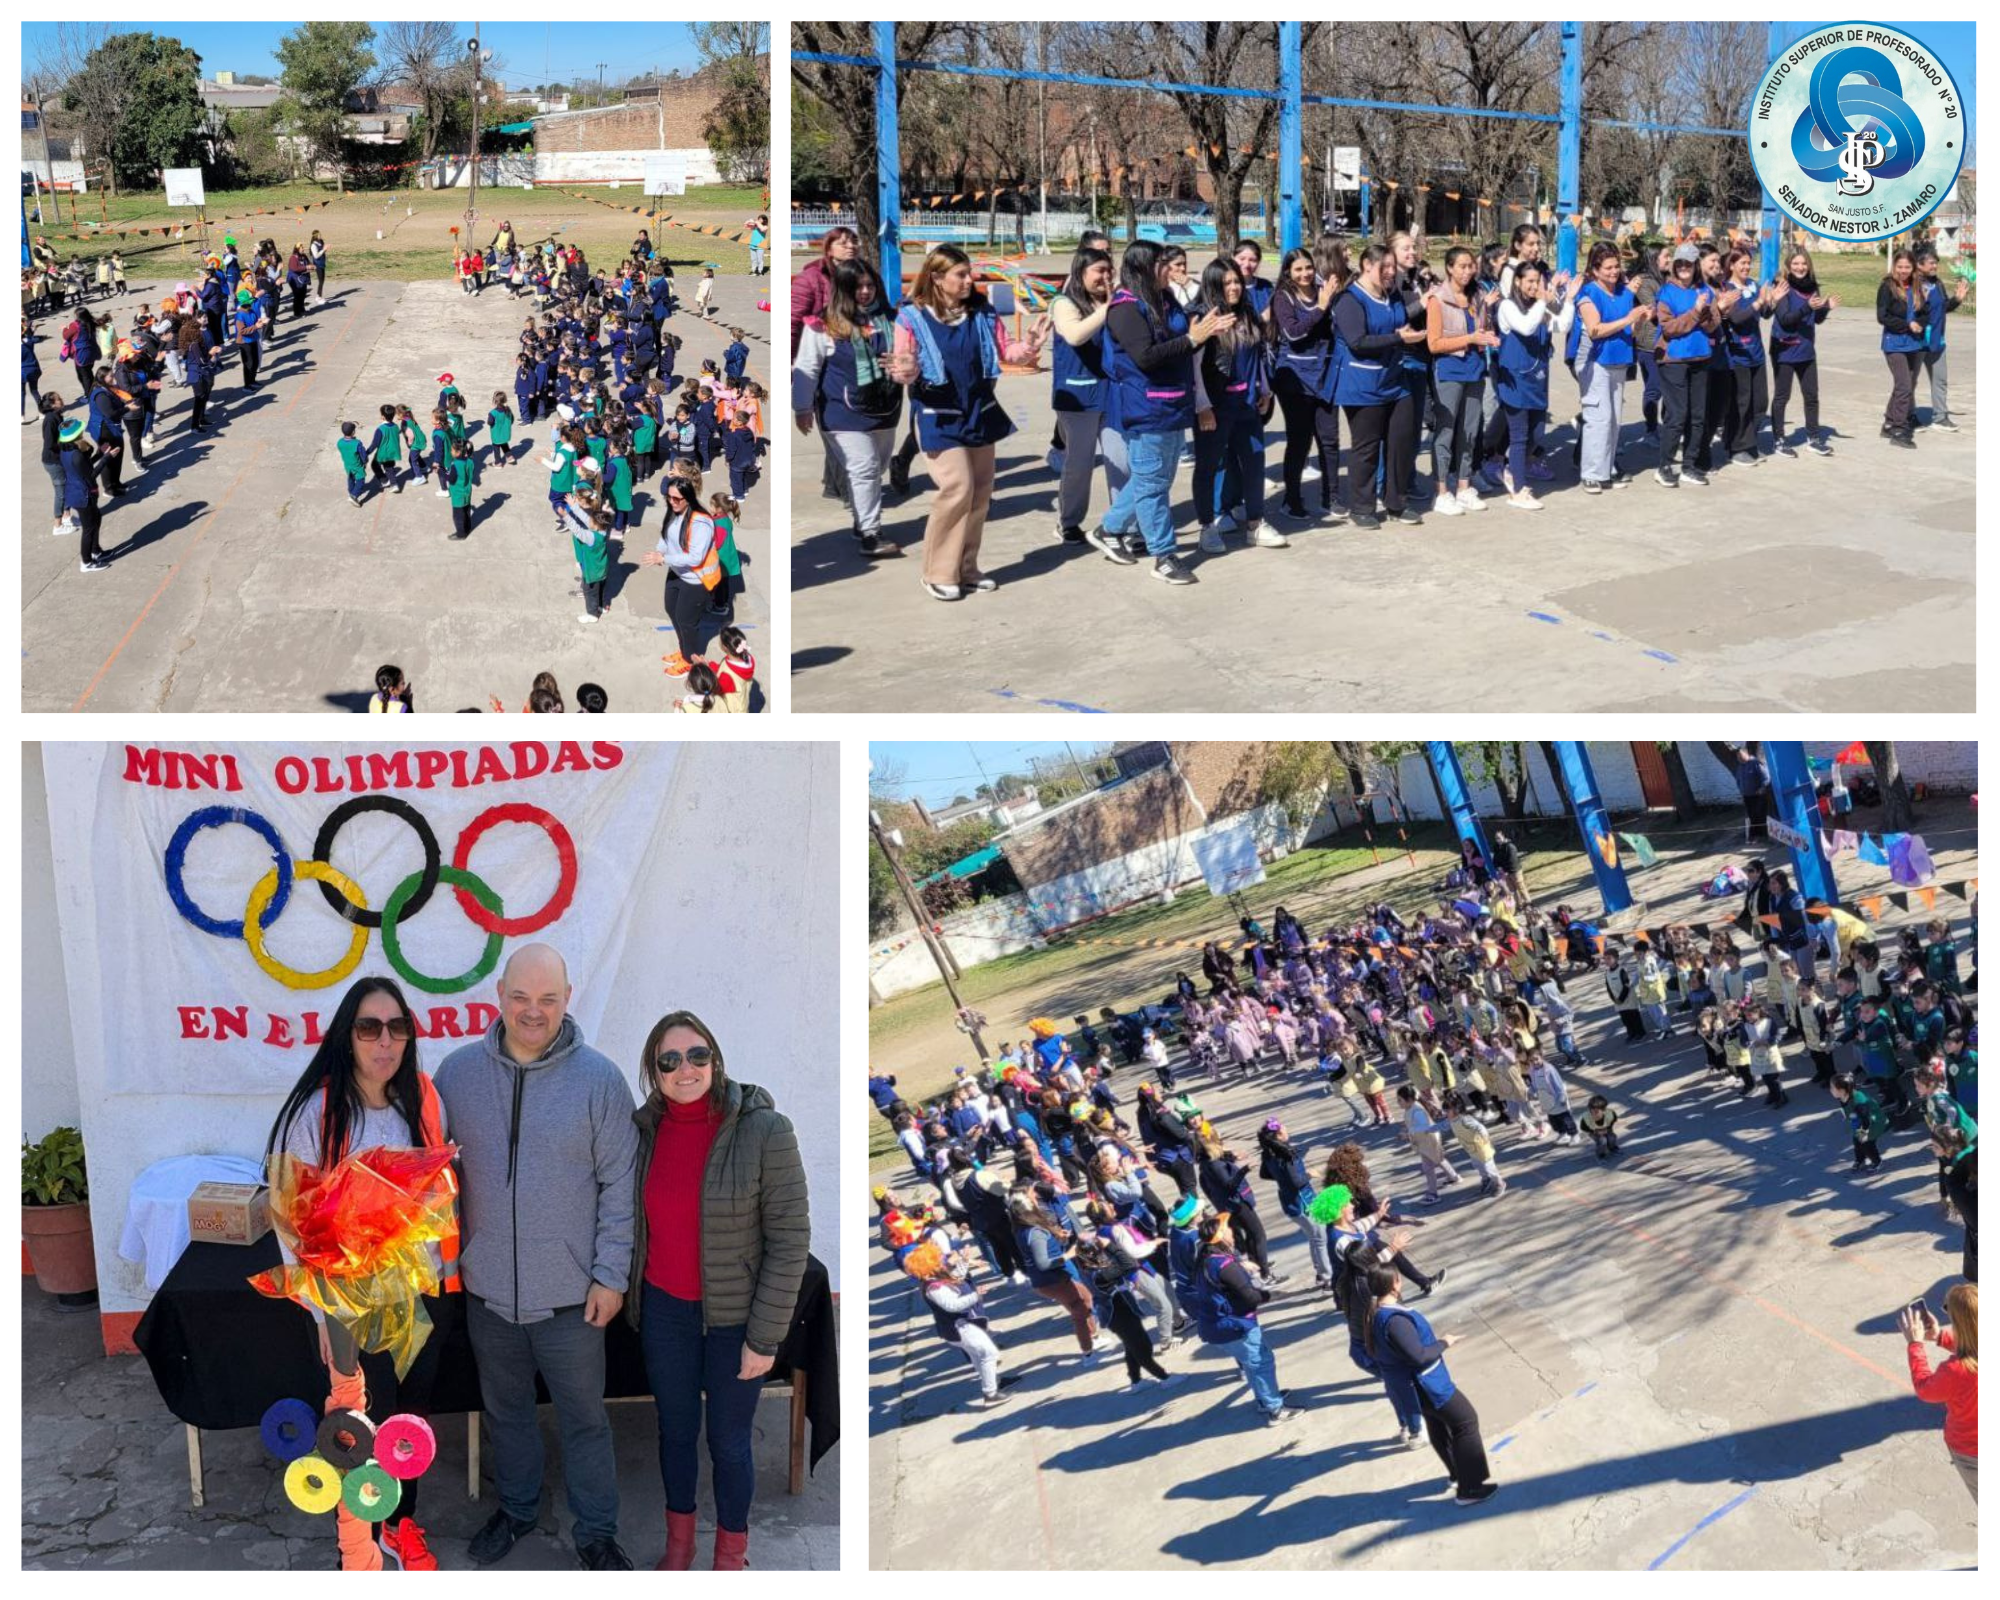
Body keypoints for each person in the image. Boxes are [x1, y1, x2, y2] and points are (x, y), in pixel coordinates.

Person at [434, 944, 639, 1571]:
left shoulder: (600, 1080)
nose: (533, 1011)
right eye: (521, 997)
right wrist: (447, 1262)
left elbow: (620, 1184)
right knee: (508, 1413)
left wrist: (609, 1274)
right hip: (488, 1291)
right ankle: (519, 1510)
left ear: (567, 999)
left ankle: (597, 1533)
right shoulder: (456, 1075)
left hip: (573, 1298)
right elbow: (434, 1178)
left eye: (548, 999)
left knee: (583, 1420)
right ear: (498, 995)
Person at [263, 976, 460, 1572]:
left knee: (409, 1423)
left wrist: (446, 1278)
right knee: (363, 1428)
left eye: (397, 1027)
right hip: (353, 1309)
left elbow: (440, 1194)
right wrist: (322, 1313)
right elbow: (288, 1218)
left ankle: (402, 1527)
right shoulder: (316, 1114)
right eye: (370, 1026)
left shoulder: (421, 1100)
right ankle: (360, 1545)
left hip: (423, 1296)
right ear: (348, 1036)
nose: (385, 1040)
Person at [625, 1009, 807, 1570]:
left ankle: (731, 1555)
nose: (686, 1068)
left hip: (735, 1320)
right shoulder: (643, 1131)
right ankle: (678, 1545)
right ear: (654, 1072)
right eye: (670, 1060)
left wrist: (765, 1337)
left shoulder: (764, 1130)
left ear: (716, 1058)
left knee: (729, 1443)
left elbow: (790, 1239)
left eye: (697, 1054)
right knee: (675, 1433)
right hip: (664, 1313)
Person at [1083, 239, 1225, 585]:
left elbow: (1183, 337)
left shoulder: (1164, 299)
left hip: (1174, 402)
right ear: (1145, 267)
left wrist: (1203, 332)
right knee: (1153, 484)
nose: (1173, 270)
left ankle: (1109, 529)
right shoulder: (1125, 308)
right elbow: (1145, 356)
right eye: (1164, 264)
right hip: (1146, 406)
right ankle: (1164, 554)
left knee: (1154, 479)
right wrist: (1192, 339)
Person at [1354, 1258, 1498, 1504]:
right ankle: (1470, 1488)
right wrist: (1445, 1342)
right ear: (1395, 1284)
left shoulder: (1375, 1313)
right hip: (1427, 1385)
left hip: (1412, 1388)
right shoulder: (1395, 1321)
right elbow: (1418, 1356)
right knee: (1466, 1422)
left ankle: (1457, 1474)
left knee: (1438, 1426)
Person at [1192, 256, 1285, 555]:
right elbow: (1192, 368)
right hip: (1215, 407)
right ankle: (1207, 527)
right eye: (1227, 282)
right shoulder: (1200, 316)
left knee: (1255, 462)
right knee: (1208, 466)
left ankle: (1255, 524)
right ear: (1213, 284)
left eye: (1236, 281)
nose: (1234, 287)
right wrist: (1202, 405)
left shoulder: (1246, 313)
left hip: (1247, 404)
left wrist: (1265, 390)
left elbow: (1258, 355)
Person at [1335, 242, 1427, 527]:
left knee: (1401, 441)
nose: (1390, 272)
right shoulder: (1350, 299)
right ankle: (1361, 507)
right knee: (1366, 448)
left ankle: (1396, 503)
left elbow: (1401, 322)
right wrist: (1400, 338)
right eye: (1383, 267)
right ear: (1366, 266)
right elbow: (1357, 341)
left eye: (1392, 267)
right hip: (1363, 384)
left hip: (1394, 381)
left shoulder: (1393, 295)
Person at [1046, 245, 1127, 547]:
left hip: (1111, 394)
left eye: (1109, 270)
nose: (1105, 277)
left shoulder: (1115, 303)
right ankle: (1069, 521)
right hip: (1077, 398)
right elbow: (1075, 335)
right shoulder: (1064, 303)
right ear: (1080, 273)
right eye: (1099, 271)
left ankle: (1120, 523)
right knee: (1079, 464)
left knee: (1120, 462)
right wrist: (1108, 308)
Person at [1189, 1210, 1301, 1426]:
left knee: (1251, 1363)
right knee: (1261, 1362)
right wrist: (1270, 1295)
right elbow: (1249, 1297)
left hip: (1216, 1326)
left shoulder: (1206, 1256)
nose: (1232, 1231)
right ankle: (1275, 1409)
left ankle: (1265, 1399)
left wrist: (1241, 1265)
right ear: (1221, 1237)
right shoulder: (1225, 1265)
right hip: (1234, 1326)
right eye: (1227, 1229)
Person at [1269, 243, 1345, 524]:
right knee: (1299, 441)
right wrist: (1321, 308)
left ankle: (1332, 496)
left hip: (1325, 375)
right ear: (1288, 272)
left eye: (1309, 268)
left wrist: (1330, 301)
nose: (1305, 274)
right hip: (1295, 379)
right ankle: (1292, 500)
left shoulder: (1325, 291)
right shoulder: (1283, 297)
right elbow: (1294, 333)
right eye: (1298, 269)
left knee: (1330, 439)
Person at [1492, 258, 1574, 511]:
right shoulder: (1508, 306)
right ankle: (1518, 490)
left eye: (1538, 281)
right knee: (1519, 435)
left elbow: (1562, 325)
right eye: (1529, 281)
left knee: (1536, 434)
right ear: (1517, 281)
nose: (1534, 286)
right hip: (1515, 379)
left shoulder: (1540, 307)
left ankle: (1511, 468)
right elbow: (1527, 327)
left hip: (1536, 380)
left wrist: (1568, 300)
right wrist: (1543, 300)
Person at [1424, 246, 1499, 515]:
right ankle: (1441, 490)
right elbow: (1434, 344)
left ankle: (1464, 486)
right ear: (1449, 268)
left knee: (1469, 430)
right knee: (1445, 431)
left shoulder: (1478, 295)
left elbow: (1481, 330)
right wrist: (1470, 339)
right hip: (1449, 370)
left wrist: (1488, 336)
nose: (1468, 271)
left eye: (1471, 266)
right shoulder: (1438, 299)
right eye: (1462, 266)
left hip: (1475, 369)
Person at [1570, 241, 1644, 494]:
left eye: (1617, 266)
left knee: (1614, 420)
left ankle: (1607, 468)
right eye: (1608, 267)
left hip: (1619, 360)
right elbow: (1595, 329)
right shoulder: (1588, 293)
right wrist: (1628, 318)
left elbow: (1629, 330)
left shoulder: (1624, 292)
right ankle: (1591, 473)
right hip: (1594, 361)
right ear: (1596, 269)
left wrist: (1639, 321)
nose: (1614, 271)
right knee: (1598, 417)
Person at [1901, 1285, 1976, 1500]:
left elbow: (1926, 1390)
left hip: (1971, 1451)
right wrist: (1940, 1337)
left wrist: (1915, 1345)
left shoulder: (1955, 1371)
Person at [1652, 243, 1717, 487]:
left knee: (1698, 416)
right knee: (1677, 415)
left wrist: (1711, 312)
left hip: (1700, 357)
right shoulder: (1666, 292)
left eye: (1688, 263)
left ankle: (1690, 465)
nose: (1683, 267)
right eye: (1679, 262)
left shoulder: (1705, 290)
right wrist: (1695, 312)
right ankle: (1664, 465)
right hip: (1673, 360)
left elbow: (1712, 325)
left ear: (1695, 266)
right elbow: (1669, 328)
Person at [640, 475, 719, 674]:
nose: (672, 502)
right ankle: (684, 648)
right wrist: (659, 551)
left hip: (696, 580)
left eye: (677, 499)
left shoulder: (701, 522)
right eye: (670, 497)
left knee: (686, 620)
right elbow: (667, 536)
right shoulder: (675, 512)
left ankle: (689, 659)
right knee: (671, 609)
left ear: (689, 498)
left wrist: (663, 559)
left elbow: (695, 558)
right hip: (677, 573)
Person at [1769, 247, 1836, 458]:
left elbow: (1815, 319)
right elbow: (1785, 319)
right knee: (1782, 396)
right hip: (1785, 349)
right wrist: (1807, 307)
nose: (1800, 267)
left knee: (1811, 395)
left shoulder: (1812, 287)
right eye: (1796, 263)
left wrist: (1825, 308)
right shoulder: (1782, 287)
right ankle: (1779, 439)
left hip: (1806, 350)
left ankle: (1813, 438)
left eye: (1804, 263)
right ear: (1789, 266)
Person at [1911, 242, 1966, 433]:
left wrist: (1956, 300)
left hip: (1937, 342)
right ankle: (1910, 416)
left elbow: (1942, 309)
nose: (1935, 266)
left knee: (1940, 380)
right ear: (1919, 264)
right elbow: (1909, 312)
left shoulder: (1938, 283)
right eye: (1931, 263)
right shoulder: (1911, 284)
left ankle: (1940, 418)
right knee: (1910, 382)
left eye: (1936, 263)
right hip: (1916, 343)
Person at [1877, 248, 1927, 450]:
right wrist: (1907, 325)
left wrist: (1919, 323)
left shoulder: (1917, 287)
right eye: (1900, 267)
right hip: (1894, 342)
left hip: (1914, 343)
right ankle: (1899, 428)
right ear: (1894, 267)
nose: (1903, 270)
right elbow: (1883, 317)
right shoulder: (1886, 287)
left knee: (1905, 385)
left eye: (1907, 267)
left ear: (1913, 267)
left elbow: (1925, 313)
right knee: (1904, 386)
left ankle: (1889, 422)